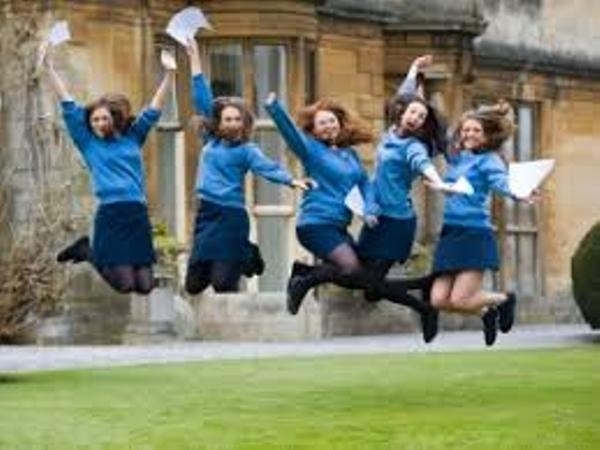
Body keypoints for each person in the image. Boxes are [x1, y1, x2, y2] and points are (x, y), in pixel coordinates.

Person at [265, 91, 439, 343]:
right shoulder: (311, 150)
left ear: (339, 123)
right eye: (322, 123)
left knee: (363, 280)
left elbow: (364, 185)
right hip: (315, 224)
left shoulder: (349, 155)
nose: (328, 126)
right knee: (351, 268)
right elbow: (290, 133)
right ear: (313, 129)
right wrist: (274, 108)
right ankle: (306, 280)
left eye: (332, 121)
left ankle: (304, 272)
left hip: (338, 227)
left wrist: (369, 208)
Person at [183, 38, 312, 294]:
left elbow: (267, 167)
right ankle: (246, 251)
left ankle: (242, 254)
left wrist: (292, 180)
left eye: (236, 119)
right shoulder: (211, 140)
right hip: (206, 213)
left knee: (222, 283)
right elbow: (201, 95)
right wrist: (193, 56)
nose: (231, 123)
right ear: (218, 122)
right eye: (227, 119)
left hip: (231, 214)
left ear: (243, 123)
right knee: (194, 285)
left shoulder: (247, 151)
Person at [44, 44, 175, 294]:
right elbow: (68, 103)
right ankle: (86, 250)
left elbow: (154, 110)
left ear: (114, 118)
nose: (100, 122)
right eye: (95, 119)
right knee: (125, 285)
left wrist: (169, 74)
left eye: (104, 118)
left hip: (136, 213)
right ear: (89, 124)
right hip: (111, 214)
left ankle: (91, 251)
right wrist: (49, 67)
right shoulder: (87, 142)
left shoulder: (133, 137)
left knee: (145, 286)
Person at [427, 101, 538, 346]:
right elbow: (436, 126)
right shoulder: (459, 158)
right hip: (451, 232)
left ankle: (504, 299)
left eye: (476, 130)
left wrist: (520, 192)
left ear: (487, 136)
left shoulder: (489, 161)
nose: (469, 134)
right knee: (437, 299)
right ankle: (486, 313)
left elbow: (501, 183)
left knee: (460, 299)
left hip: (474, 233)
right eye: (466, 129)